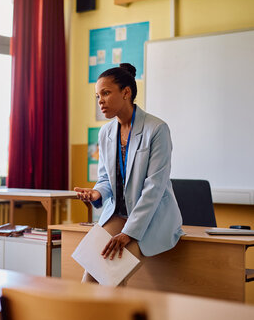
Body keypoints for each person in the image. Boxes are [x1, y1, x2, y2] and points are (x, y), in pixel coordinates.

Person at [75, 63, 184, 285]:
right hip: (118, 214)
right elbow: (106, 179)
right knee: (89, 279)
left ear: (126, 92)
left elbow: (154, 187)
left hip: (152, 218)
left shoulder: (157, 129)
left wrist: (130, 233)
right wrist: (97, 194)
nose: (100, 101)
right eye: (97, 96)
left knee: (112, 276)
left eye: (106, 93)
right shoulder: (105, 132)